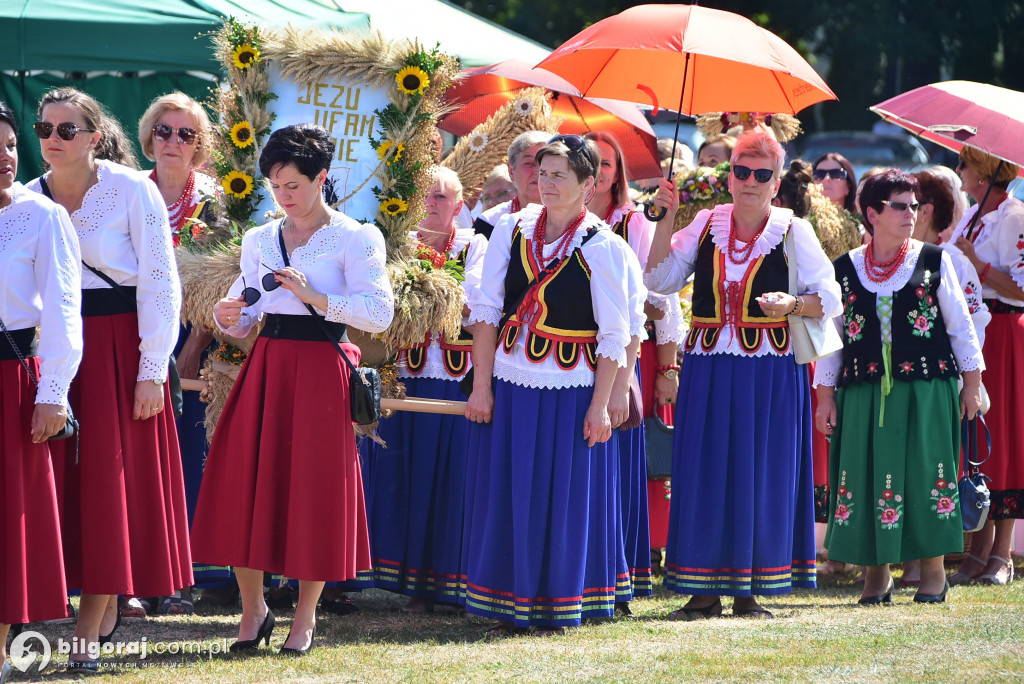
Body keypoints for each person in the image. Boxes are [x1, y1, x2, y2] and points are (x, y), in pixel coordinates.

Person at [191, 124, 394, 654]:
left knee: (314, 489)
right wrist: (228, 314)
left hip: (324, 368)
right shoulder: (260, 238)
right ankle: (253, 610)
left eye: (293, 186)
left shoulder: (357, 235)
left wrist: (317, 297)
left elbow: (379, 313)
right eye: (275, 186)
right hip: (268, 365)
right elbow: (246, 310)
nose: (283, 196)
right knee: (243, 481)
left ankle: (305, 618)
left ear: (321, 178)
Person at [646, 127, 842, 619]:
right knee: (705, 468)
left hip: (770, 373)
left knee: (760, 471)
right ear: (728, 177)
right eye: (741, 171)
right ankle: (704, 590)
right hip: (710, 368)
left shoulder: (793, 229)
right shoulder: (708, 223)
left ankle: (750, 588)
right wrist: (665, 222)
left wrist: (793, 303)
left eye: (761, 174)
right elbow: (658, 280)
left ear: (776, 182)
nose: (750, 181)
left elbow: (832, 298)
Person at [27, 87, 190, 672]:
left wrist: (152, 371)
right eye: (44, 128)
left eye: (66, 129)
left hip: (120, 347)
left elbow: (161, 285)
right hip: (48, 352)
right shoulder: (25, 199)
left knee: (105, 488)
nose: (52, 139)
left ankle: (88, 635)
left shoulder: (131, 189)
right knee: (49, 485)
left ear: (94, 136)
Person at [461, 135, 645, 635]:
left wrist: (603, 406)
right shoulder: (511, 229)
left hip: (573, 388)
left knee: (564, 496)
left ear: (589, 185)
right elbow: (485, 312)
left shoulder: (604, 245)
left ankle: (559, 603)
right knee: (512, 488)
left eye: (559, 174)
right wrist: (481, 388)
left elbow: (616, 333)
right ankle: (508, 600)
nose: (546, 182)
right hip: (512, 380)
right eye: (542, 173)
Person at [815, 170, 984, 604]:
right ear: (872, 213)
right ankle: (876, 576)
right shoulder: (845, 270)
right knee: (869, 474)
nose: (912, 213)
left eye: (914, 205)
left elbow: (961, 329)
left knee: (927, 474)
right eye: (900, 205)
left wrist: (971, 387)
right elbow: (831, 342)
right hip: (863, 392)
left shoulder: (934, 260)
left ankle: (932, 574)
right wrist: (826, 398)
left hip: (926, 389)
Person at [366, 166, 487, 613]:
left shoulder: (475, 245)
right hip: (405, 375)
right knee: (404, 474)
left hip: (455, 379)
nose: (431, 204)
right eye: (424, 196)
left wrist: (428, 294)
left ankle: (449, 582)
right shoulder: (397, 248)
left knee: (452, 478)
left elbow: (475, 306)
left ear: (459, 205)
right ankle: (408, 580)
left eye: (441, 197)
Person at [0, 101, 83, 680]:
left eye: (9, 145)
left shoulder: (40, 216)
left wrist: (53, 391)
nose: (7, 158)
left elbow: (62, 307)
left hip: (11, 379)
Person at [585, 131, 685, 607]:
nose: (598, 171)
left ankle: (624, 564)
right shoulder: (552, 221)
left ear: (618, 173)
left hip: (629, 351)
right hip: (566, 354)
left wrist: (666, 367)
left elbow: (659, 292)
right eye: (590, 162)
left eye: (606, 163)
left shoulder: (631, 220)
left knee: (622, 456)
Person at [137, 91, 222, 615]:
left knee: (187, 461)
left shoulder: (216, 202)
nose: (173, 141)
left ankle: (181, 576)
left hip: (198, 348)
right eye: (164, 131)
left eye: (185, 134)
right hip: (139, 341)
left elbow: (225, 281)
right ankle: (132, 575)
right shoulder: (125, 192)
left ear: (200, 145)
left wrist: (191, 346)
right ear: (148, 138)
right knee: (137, 457)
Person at [948, 148, 1024, 587]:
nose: (959, 172)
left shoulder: (1013, 215)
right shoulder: (973, 213)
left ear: (985, 170)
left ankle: (1002, 553)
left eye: (964, 163)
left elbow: (1021, 285)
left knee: (1004, 434)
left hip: (1004, 330)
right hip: (976, 331)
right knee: (977, 433)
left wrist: (978, 265)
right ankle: (978, 551)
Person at [471, 130, 548, 240]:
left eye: (544, 163)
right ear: (511, 171)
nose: (538, 171)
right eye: (528, 163)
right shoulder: (489, 223)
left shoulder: (572, 220)